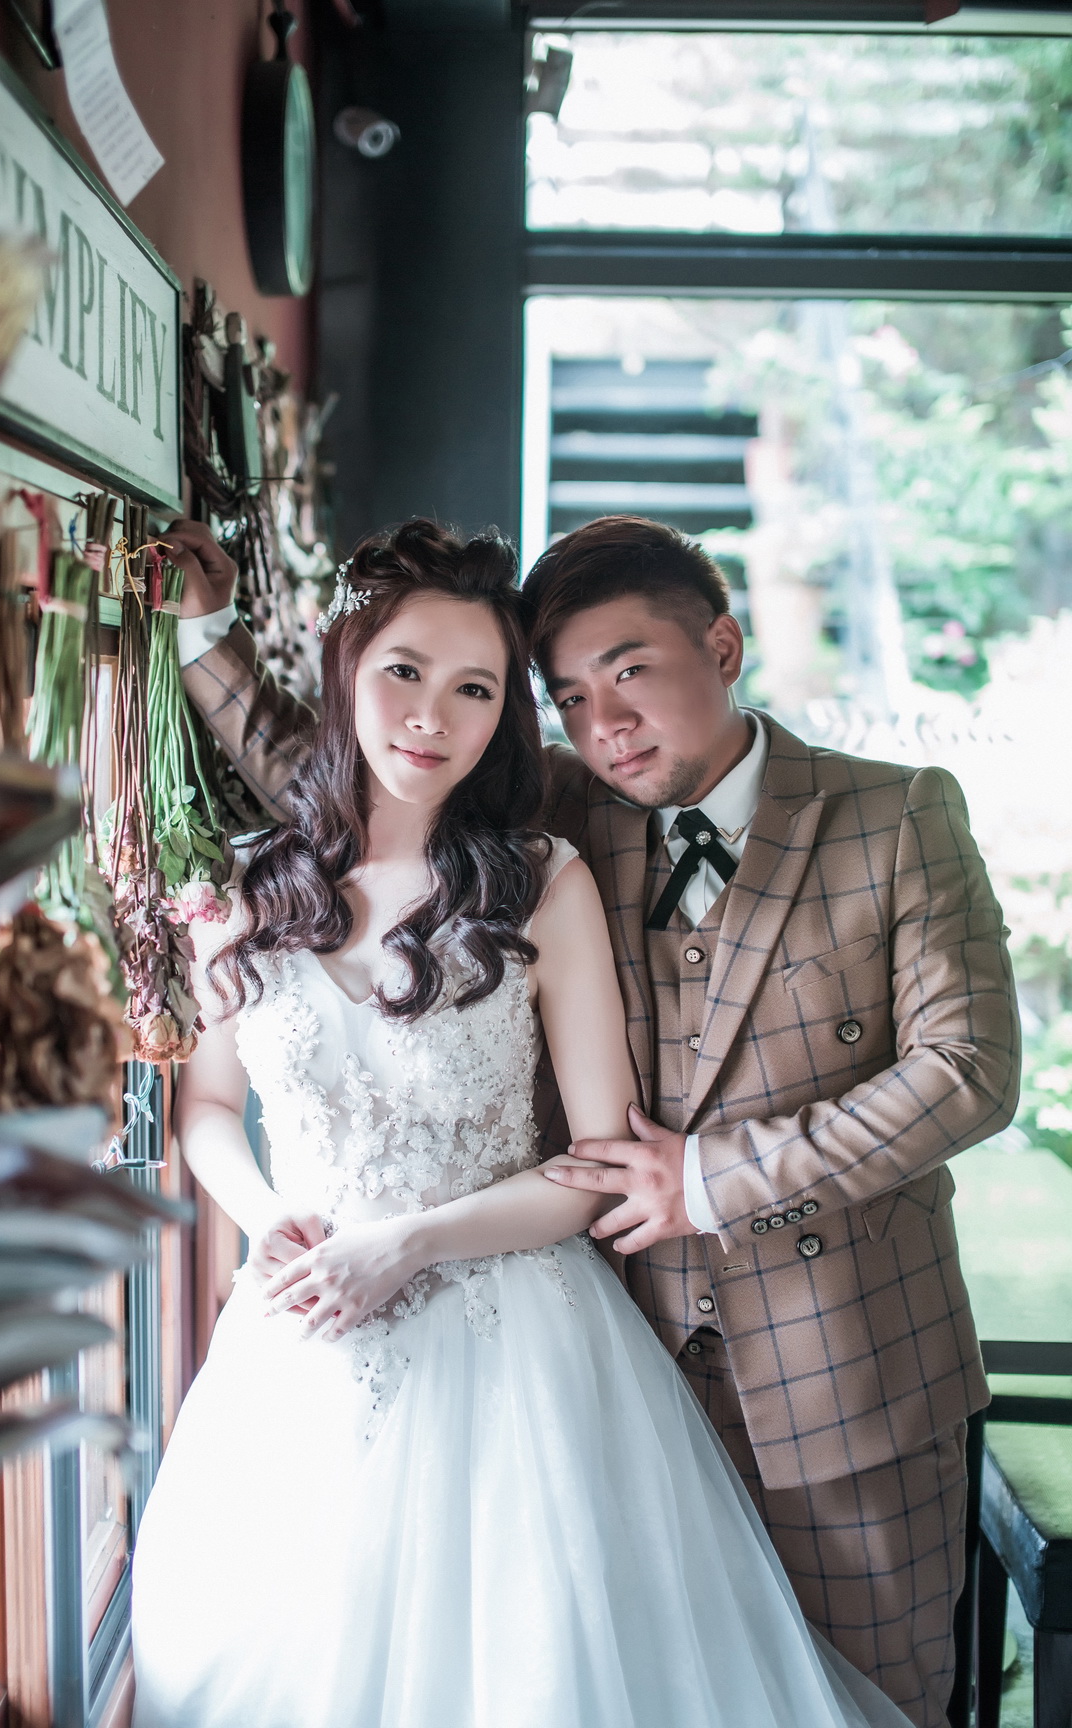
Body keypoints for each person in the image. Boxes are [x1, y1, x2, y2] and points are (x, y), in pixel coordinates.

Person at [168, 513, 1020, 1728]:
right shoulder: (562, 811)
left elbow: (968, 1070)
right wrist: (207, 633)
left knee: (865, 1702)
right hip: (626, 1365)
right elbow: (363, 762)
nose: (605, 722)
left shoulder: (894, 816)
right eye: (569, 695)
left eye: (631, 673)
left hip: (843, 1375)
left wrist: (709, 1180)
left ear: (721, 647)